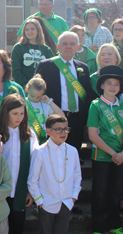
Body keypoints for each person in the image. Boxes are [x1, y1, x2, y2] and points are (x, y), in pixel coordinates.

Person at [87, 65, 123, 234]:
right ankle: (97, 227)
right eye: (109, 83)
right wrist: (114, 153)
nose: (113, 87)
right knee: (99, 193)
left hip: (121, 158)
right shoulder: (96, 105)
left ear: (120, 87)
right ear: (102, 86)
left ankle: (114, 225)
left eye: (116, 84)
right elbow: (92, 135)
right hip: (102, 157)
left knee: (116, 192)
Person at [35, 31, 92, 165]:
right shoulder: (45, 65)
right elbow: (37, 90)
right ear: (58, 46)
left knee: (73, 157)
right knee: (54, 158)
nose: (68, 47)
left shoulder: (83, 67)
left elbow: (87, 94)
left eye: (72, 44)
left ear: (78, 47)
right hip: (55, 118)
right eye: (64, 44)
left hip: (76, 118)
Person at [28, 114, 82, 234]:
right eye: (58, 129)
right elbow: (32, 180)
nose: (63, 133)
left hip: (66, 202)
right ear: (48, 131)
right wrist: (40, 201)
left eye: (66, 129)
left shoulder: (72, 151)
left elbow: (77, 177)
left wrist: (73, 197)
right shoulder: (40, 152)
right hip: (46, 204)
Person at [0, 94, 38, 234]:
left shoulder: (29, 134)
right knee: (0, 231)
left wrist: (30, 191)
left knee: (16, 231)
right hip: (0, 191)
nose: (19, 117)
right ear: (5, 112)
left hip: (19, 191)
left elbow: (35, 164)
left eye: (22, 113)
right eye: (15, 113)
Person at [11, 18, 53, 89]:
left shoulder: (46, 49)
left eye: (32, 29)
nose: (29, 32)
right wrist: (26, 87)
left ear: (38, 31)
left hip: (43, 89)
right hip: (24, 89)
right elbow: (15, 71)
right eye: (27, 29)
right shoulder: (18, 48)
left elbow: (51, 71)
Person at [24, 74, 64, 144]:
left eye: (38, 97)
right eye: (32, 96)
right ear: (27, 89)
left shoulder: (45, 105)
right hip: (26, 140)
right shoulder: (23, 103)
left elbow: (62, 116)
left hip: (41, 141)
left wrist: (49, 102)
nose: (34, 99)